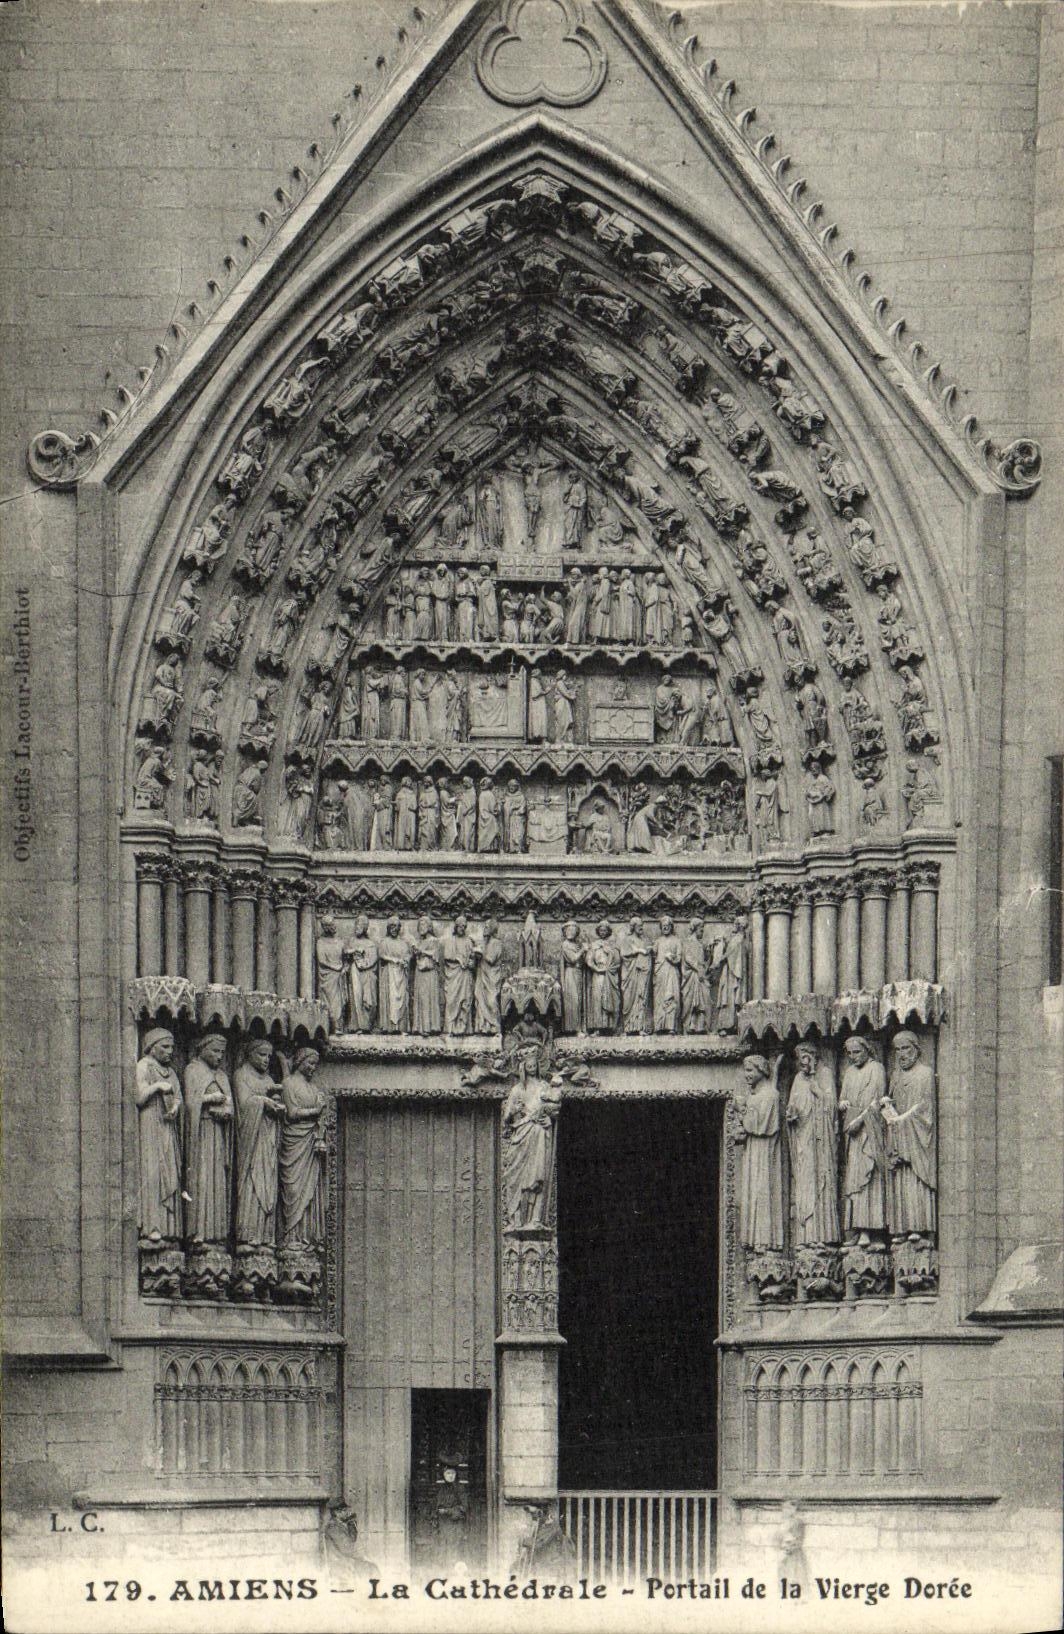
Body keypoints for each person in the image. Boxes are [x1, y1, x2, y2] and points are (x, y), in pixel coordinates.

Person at [884, 1032, 937, 1238]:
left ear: (916, 1049)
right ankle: (901, 1229)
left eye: (906, 1048)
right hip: (899, 1136)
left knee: (915, 1179)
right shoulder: (896, 1076)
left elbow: (923, 1107)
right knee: (900, 1181)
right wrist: (887, 1107)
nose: (901, 1054)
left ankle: (919, 1228)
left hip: (916, 1139)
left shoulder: (924, 1073)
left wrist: (901, 1119)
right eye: (897, 1050)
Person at [134, 1028, 185, 1243]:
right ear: (152, 1047)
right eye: (165, 1046)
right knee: (152, 1172)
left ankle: (170, 1229)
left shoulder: (171, 1072)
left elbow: (178, 1097)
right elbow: (139, 1097)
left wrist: (175, 1108)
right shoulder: (144, 1066)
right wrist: (156, 1086)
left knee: (170, 1172)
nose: (170, 1051)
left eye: (172, 1047)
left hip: (167, 1125)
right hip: (150, 1124)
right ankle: (152, 1226)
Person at [786, 1043, 840, 1246]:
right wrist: (791, 1114)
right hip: (803, 1137)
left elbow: (832, 1107)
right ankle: (805, 1235)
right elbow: (793, 1105)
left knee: (821, 1180)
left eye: (806, 1057)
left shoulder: (825, 1074)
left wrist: (818, 1092)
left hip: (821, 1139)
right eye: (800, 1058)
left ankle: (824, 1236)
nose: (803, 1062)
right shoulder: (798, 1079)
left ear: (814, 1057)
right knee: (805, 1180)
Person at [233, 1038, 284, 1249]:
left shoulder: (269, 1079)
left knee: (268, 1183)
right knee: (253, 1183)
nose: (266, 1060)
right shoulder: (241, 1075)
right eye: (262, 1055)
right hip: (251, 1141)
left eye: (269, 1056)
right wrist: (263, 1101)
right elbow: (244, 1105)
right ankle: (248, 1235)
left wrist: (277, 1105)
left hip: (268, 1138)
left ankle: (266, 1236)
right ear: (250, 1054)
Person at [839, 1036, 888, 1243]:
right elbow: (843, 1097)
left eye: (857, 1052)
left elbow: (877, 1101)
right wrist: (842, 1104)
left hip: (870, 1131)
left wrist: (860, 1120)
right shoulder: (850, 1072)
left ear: (867, 1050)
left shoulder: (876, 1068)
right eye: (850, 1053)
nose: (853, 1057)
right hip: (853, 1134)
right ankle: (857, 1229)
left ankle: (871, 1230)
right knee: (854, 1180)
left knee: (870, 1177)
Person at [734, 1055, 785, 1250]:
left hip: (763, 1152)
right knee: (754, 1191)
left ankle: (764, 1240)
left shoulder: (770, 1095)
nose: (746, 1075)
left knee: (762, 1190)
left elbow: (758, 1126)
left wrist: (741, 1111)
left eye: (749, 1070)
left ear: (761, 1070)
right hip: (752, 1151)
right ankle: (754, 1239)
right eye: (745, 1070)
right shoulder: (756, 1095)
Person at [279, 1048, 327, 1251]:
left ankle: (308, 1237)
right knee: (294, 1189)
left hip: (310, 1142)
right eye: (310, 1063)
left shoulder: (314, 1088)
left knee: (311, 1190)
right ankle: (291, 1237)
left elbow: (322, 1115)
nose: (313, 1068)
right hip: (294, 1142)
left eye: (316, 1064)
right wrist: (315, 1110)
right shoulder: (289, 1084)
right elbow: (291, 1113)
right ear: (300, 1062)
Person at [345, 916, 378, 1033]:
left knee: (369, 1000)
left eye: (359, 926)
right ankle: (357, 1025)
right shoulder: (352, 941)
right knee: (356, 997)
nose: (356, 928)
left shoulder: (370, 943)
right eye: (356, 925)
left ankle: (367, 1025)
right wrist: (354, 951)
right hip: (355, 972)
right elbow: (345, 952)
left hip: (368, 974)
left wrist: (363, 964)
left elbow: (373, 959)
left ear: (364, 928)